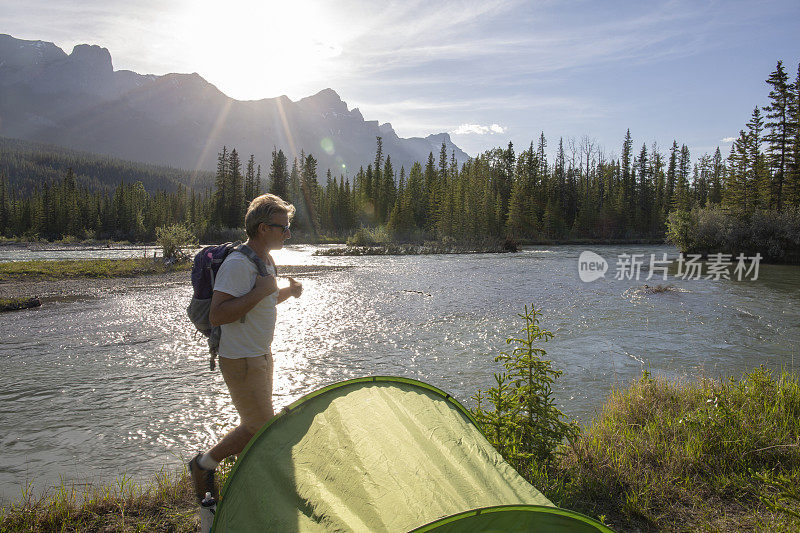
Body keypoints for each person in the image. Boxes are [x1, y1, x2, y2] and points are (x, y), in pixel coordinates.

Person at [188, 193, 302, 501]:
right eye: (284, 226)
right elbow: (218, 314)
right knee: (262, 427)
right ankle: (203, 465)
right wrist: (262, 290)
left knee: (254, 425)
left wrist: (285, 293)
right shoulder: (238, 264)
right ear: (264, 228)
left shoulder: (265, 260)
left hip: (262, 356)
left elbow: (261, 301)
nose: (288, 233)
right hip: (241, 360)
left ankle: (242, 478)